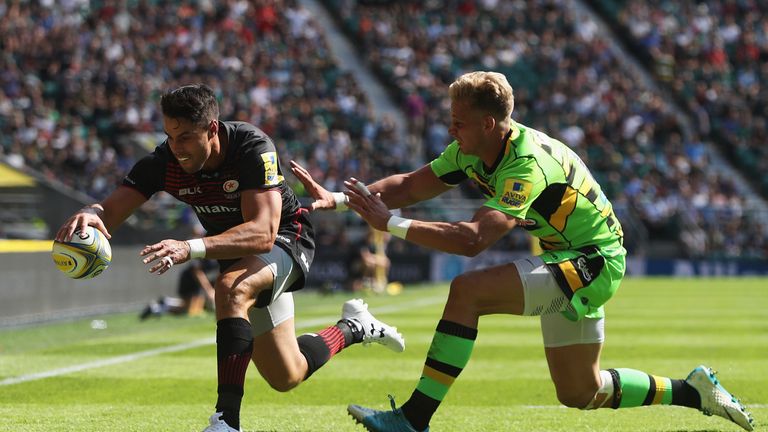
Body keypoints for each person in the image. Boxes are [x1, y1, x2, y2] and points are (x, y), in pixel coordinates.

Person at [290, 71, 754, 432]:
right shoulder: (475, 146)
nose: (450, 129)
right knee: (581, 392)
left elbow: (474, 240)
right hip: (571, 253)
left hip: (592, 260)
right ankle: (693, 392)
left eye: (458, 121)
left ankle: (412, 419)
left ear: (488, 124)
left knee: (466, 292)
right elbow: (413, 184)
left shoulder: (525, 166)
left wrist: (388, 224)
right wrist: (340, 199)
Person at [54, 84, 405, 432]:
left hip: (285, 239)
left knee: (231, 287)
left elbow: (263, 232)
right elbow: (112, 208)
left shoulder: (251, 147)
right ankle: (355, 327)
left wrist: (188, 247)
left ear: (211, 129)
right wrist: (92, 212)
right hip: (238, 255)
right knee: (287, 374)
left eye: (186, 137)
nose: (177, 149)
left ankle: (225, 422)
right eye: (170, 137)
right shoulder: (165, 162)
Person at [139, 258, 217, 320]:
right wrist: (209, 290)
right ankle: (156, 308)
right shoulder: (205, 255)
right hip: (189, 281)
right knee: (187, 310)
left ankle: (166, 302)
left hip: (195, 283)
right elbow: (197, 272)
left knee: (188, 308)